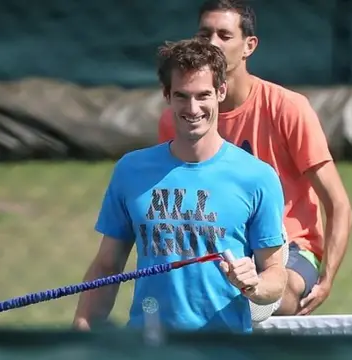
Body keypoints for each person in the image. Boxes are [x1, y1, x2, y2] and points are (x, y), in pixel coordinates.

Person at [72, 39, 287, 334]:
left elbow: (276, 275)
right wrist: (81, 334)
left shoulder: (257, 177)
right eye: (182, 96)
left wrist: (254, 284)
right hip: (149, 347)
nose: (193, 108)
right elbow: (107, 267)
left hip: (225, 351)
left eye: (203, 95)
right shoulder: (131, 170)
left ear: (220, 92)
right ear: (167, 96)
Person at [156, 0, 352, 316]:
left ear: (249, 46)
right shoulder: (177, 119)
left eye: (224, 35)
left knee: (269, 295)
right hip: (218, 248)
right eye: (204, 34)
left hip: (291, 250)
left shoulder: (288, 108)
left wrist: (326, 279)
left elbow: (338, 204)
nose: (212, 44)